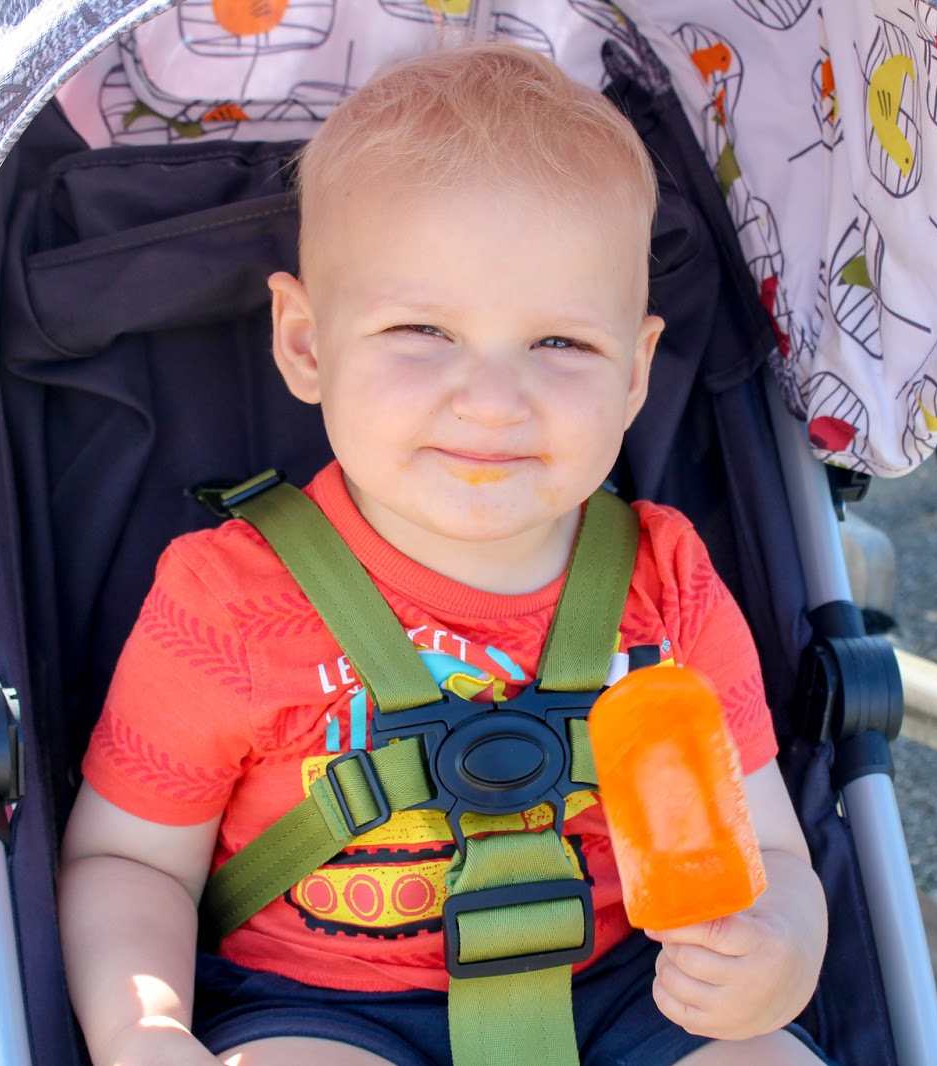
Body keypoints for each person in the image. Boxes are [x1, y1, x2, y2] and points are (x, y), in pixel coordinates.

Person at [59, 42, 828, 1066]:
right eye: (422, 330)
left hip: (629, 991)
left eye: (560, 344)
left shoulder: (666, 585)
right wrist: (141, 1027)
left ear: (636, 372)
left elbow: (767, 847)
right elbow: (131, 861)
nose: (493, 400)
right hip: (325, 1008)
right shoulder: (229, 601)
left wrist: (777, 949)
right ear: (306, 343)